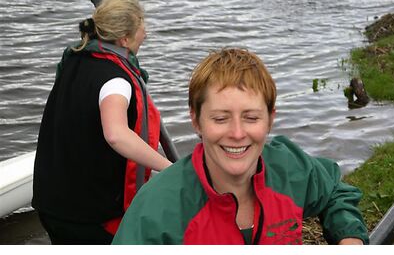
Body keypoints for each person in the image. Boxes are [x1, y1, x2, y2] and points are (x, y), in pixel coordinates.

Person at [112, 48, 369, 245]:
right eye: (221, 118)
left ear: (270, 119)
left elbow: (336, 191)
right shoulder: (156, 209)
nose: (237, 133)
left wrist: (350, 238)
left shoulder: (288, 167)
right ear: (196, 121)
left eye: (251, 118)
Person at [32, 0, 172, 244]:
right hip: (92, 218)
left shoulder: (74, 59)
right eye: (143, 28)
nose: (146, 34)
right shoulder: (116, 81)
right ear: (124, 39)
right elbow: (116, 134)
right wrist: (171, 169)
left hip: (49, 203)